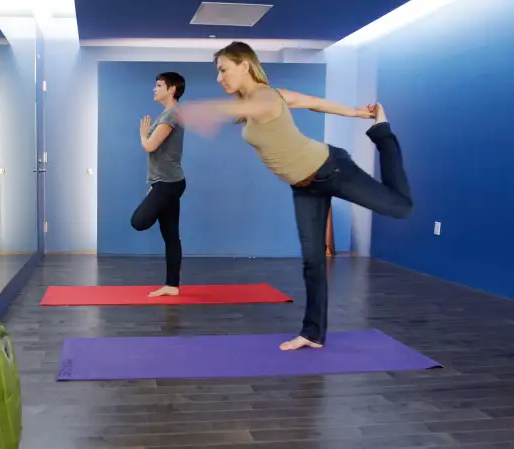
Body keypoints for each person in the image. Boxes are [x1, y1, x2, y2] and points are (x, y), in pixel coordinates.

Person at [176, 41, 413, 350]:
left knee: (400, 207)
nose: (219, 78)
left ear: (245, 64)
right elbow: (313, 102)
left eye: (223, 70)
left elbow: (246, 108)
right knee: (313, 262)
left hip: (332, 169)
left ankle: (384, 135)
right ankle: (313, 333)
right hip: (304, 186)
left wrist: (208, 110)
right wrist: (355, 112)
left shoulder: (263, 97)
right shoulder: (268, 97)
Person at [130, 72, 187, 297]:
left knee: (139, 221)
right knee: (171, 235)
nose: (154, 89)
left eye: (159, 85)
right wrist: (155, 185)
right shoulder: (167, 113)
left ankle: (172, 284)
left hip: (169, 183)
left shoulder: (171, 114)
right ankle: (172, 285)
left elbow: (150, 146)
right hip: (166, 182)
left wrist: (143, 135)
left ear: (172, 89)